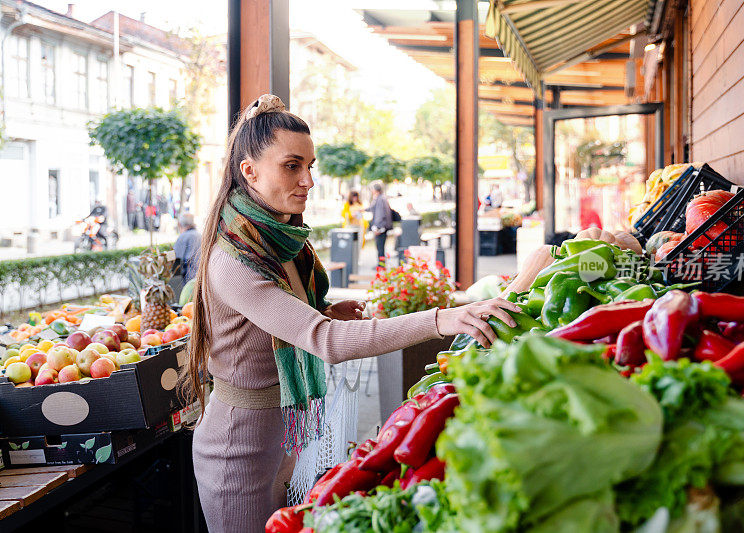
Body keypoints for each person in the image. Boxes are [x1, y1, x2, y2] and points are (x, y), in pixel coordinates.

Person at [183, 94, 520, 532]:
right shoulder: (233, 259)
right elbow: (323, 340)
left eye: (310, 165)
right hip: (237, 450)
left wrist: (325, 308)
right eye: (292, 165)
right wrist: (440, 319)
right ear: (249, 171)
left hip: (279, 434)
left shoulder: (278, 238)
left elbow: (288, 321)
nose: (308, 179)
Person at [366, 181, 392, 266]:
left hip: (380, 228)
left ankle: (381, 265)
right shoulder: (381, 198)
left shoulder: (381, 199)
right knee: (380, 247)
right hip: (382, 227)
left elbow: (380, 214)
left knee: (380, 247)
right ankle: (381, 264)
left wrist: (377, 227)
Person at [173, 212, 201, 282]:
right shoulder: (200, 235)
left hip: (190, 278)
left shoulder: (184, 236)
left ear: (179, 224)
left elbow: (174, 257)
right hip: (201, 275)